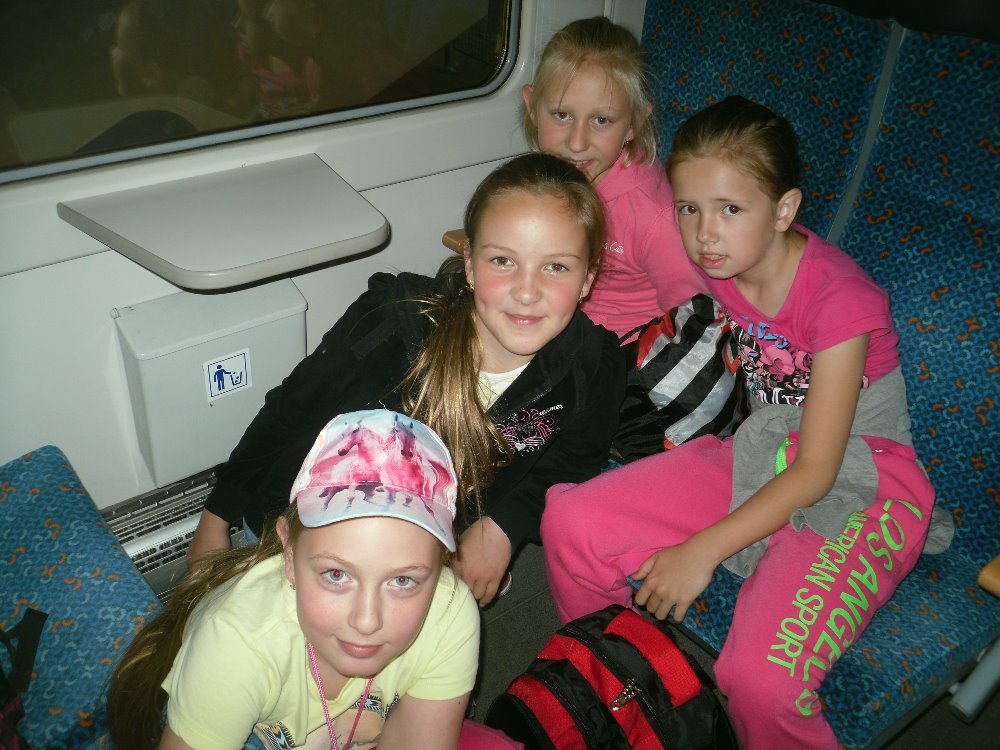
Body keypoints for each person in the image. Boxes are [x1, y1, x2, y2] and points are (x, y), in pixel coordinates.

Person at [541, 97, 947, 749]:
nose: (705, 234)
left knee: (760, 681)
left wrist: (702, 551)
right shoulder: (721, 262)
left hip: (862, 479)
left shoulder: (840, 300)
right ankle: (615, 688)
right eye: (689, 208)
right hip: (763, 448)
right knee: (571, 522)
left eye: (730, 209)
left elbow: (818, 469)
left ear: (784, 210)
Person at [187, 152, 625, 607]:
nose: (527, 291)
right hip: (306, 522)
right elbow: (291, 411)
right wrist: (216, 516)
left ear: (587, 278)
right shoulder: (394, 325)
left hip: (426, 546)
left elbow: (573, 461)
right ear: (470, 264)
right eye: (502, 260)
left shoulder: (593, 366)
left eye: (556, 267)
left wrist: (502, 526)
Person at [108, 409, 523, 749]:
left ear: (441, 565)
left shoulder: (449, 613)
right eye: (336, 574)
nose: (366, 621)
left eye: (403, 581)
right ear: (289, 555)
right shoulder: (235, 643)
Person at [521, 15, 706, 340]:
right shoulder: (544, 176)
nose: (576, 143)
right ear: (532, 106)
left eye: (602, 120)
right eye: (562, 115)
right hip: (559, 317)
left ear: (634, 123)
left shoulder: (654, 217)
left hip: (623, 348)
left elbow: (693, 316)